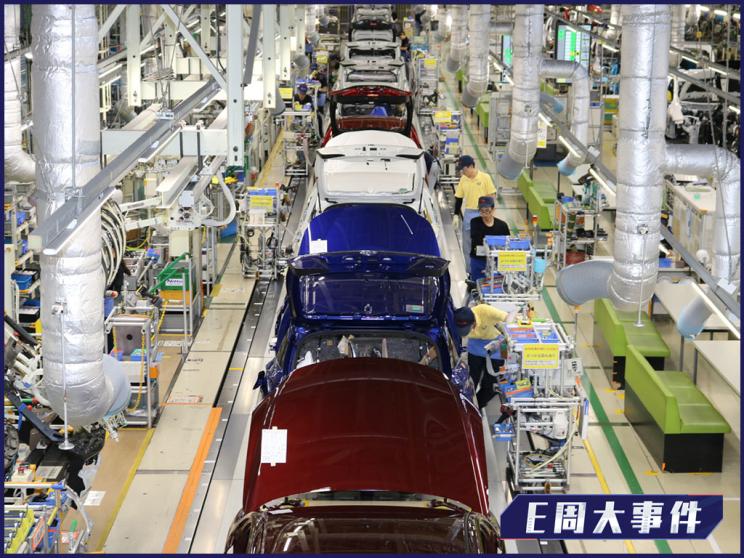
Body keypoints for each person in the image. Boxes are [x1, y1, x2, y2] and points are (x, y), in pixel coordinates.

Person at [454, 304, 511, 410]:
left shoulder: (484, 310)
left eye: (467, 329)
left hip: (498, 344)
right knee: (471, 381)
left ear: (474, 323)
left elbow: (508, 317)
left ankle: (476, 407)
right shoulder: (457, 323)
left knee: (492, 385)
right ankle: (468, 407)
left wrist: (509, 333)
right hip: (475, 347)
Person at [453, 155, 497, 273]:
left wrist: (489, 215)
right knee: (467, 245)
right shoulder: (463, 179)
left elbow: (492, 196)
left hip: (483, 213)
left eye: (464, 169)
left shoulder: (485, 178)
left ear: (471, 166)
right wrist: (456, 215)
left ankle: (486, 270)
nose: (463, 172)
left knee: (484, 244)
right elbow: (459, 198)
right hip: (469, 213)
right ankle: (470, 272)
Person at [469, 196, 511, 281]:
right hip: (479, 261)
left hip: (497, 262)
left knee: (497, 284)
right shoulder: (474, 222)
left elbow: (507, 245)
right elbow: (477, 241)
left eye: (487, 210)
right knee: (477, 284)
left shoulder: (502, 225)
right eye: (481, 210)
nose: (484, 213)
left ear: (493, 209)